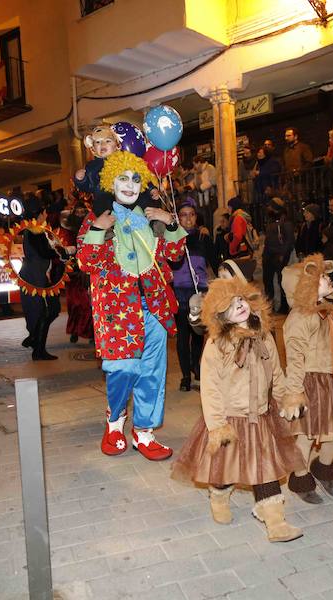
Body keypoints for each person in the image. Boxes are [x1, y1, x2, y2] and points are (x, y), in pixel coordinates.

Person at [171, 278, 305, 542]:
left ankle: (275, 522)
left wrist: (285, 397)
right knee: (225, 468)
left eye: (241, 300)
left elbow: (276, 372)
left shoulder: (264, 333)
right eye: (232, 306)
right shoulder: (217, 344)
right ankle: (218, 495)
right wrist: (217, 424)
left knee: (264, 468)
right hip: (231, 416)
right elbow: (210, 388)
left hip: (261, 415)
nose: (240, 306)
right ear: (221, 315)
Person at [77, 150, 188, 460]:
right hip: (116, 309)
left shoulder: (150, 215)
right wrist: (98, 229)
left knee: (152, 371)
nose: (130, 184)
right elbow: (85, 262)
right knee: (122, 368)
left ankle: (144, 433)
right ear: (111, 182)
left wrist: (169, 220)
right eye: (123, 178)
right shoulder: (98, 217)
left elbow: (176, 253)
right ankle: (115, 425)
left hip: (153, 304)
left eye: (136, 179)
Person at [282, 254, 333, 504]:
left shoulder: (325, 310)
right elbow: (294, 358)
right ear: (306, 286)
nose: (328, 279)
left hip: (332, 380)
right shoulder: (300, 318)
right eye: (322, 277)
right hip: (309, 383)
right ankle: (300, 478)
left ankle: (323, 469)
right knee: (305, 436)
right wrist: (294, 393)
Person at [169, 201, 216, 392]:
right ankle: (186, 375)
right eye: (184, 215)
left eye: (192, 214)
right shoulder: (172, 238)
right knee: (183, 335)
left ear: (196, 217)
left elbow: (214, 262)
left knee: (198, 333)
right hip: (179, 291)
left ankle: (196, 366)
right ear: (178, 217)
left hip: (199, 292)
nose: (188, 218)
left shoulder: (204, 238)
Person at [19, 197, 64, 361]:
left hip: (36, 273)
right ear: (40, 213)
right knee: (47, 309)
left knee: (49, 309)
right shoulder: (34, 231)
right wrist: (61, 251)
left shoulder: (34, 229)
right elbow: (44, 252)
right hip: (35, 275)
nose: (46, 214)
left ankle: (34, 341)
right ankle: (37, 346)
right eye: (45, 212)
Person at [57, 205, 94, 344]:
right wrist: (67, 250)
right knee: (75, 304)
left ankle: (90, 333)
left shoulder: (91, 227)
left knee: (88, 304)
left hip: (88, 270)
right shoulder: (67, 230)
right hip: (73, 272)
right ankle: (75, 331)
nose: (80, 214)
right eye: (77, 212)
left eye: (82, 212)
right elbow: (63, 247)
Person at [261, 197, 295, 314]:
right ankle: (269, 306)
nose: (268, 208)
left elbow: (289, 241)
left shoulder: (285, 221)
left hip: (279, 256)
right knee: (267, 282)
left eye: (270, 206)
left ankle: (284, 307)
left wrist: (282, 254)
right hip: (269, 255)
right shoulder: (272, 220)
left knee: (282, 282)